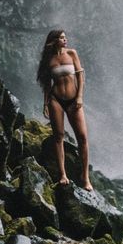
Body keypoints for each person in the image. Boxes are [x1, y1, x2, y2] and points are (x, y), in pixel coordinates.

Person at [36, 28, 93, 191]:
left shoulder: (72, 54)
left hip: (74, 100)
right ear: (54, 41)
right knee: (58, 136)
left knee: (82, 137)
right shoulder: (49, 59)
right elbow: (47, 84)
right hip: (56, 100)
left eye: (65, 37)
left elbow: (80, 76)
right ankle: (62, 174)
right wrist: (46, 103)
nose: (65, 40)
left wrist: (80, 97)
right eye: (61, 38)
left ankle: (85, 177)